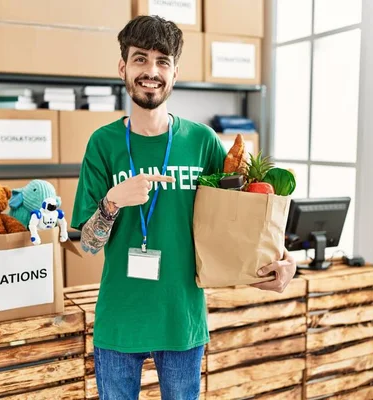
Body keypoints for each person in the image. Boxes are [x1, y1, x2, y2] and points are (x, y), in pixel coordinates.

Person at [71, 15, 297, 400]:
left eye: (163, 61)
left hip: (182, 317)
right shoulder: (103, 143)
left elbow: (240, 217)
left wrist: (283, 258)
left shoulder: (203, 142)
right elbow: (85, 245)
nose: (151, 71)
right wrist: (112, 202)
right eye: (140, 59)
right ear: (123, 67)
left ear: (175, 73)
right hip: (120, 318)